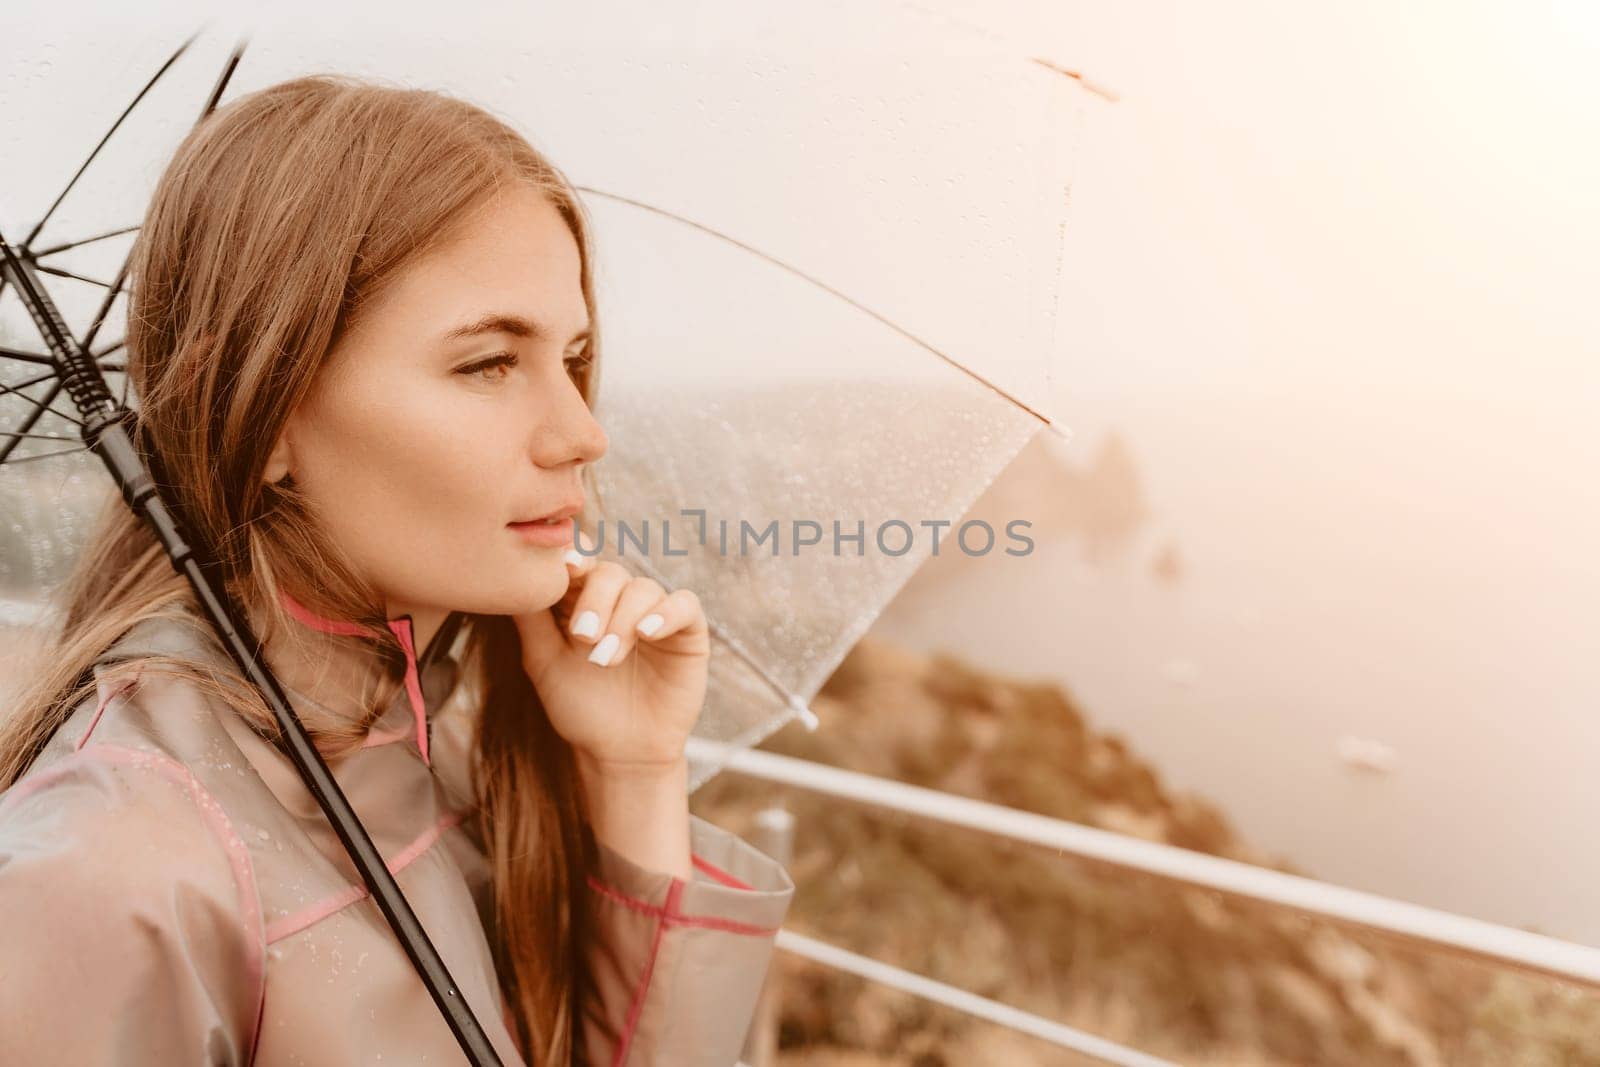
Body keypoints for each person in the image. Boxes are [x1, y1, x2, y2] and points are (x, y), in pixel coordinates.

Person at [0, 74, 793, 1065]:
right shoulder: (115, 868)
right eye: (489, 362)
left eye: (573, 356)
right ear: (263, 410)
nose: (582, 432)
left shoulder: (431, 741)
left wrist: (634, 773)